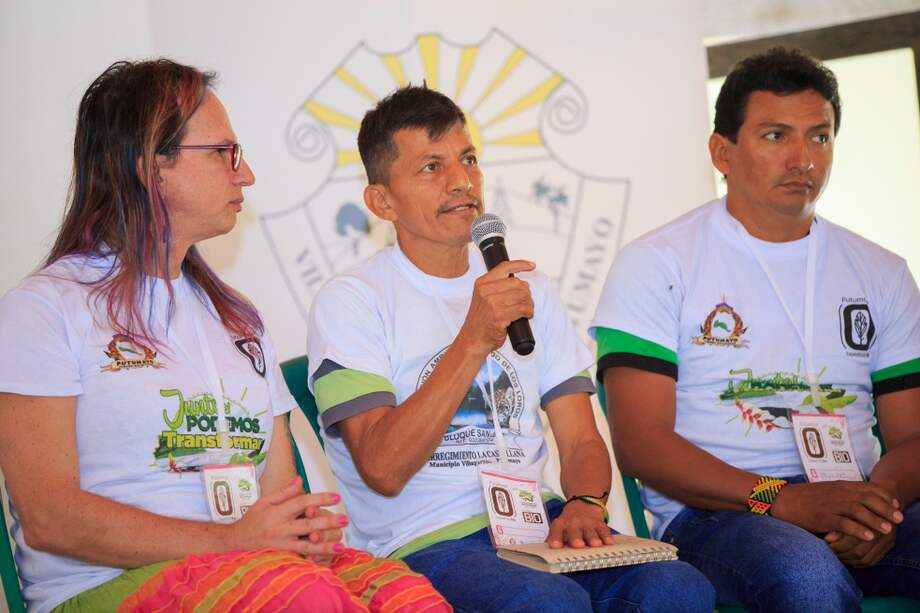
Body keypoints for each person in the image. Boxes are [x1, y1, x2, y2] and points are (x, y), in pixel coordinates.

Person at [0, 60, 448, 613]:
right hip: (105, 589)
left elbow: (280, 494)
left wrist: (302, 530)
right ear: (148, 163)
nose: (246, 175)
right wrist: (228, 542)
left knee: (408, 595)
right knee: (305, 598)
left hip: (249, 568)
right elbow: (48, 517)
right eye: (224, 153)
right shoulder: (44, 308)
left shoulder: (238, 319)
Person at [306, 85, 715, 612]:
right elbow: (383, 468)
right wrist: (474, 338)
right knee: (548, 604)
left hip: (538, 522)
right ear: (382, 201)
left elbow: (581, 438)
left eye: (469, 159)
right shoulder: (352, 301)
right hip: (424, 542)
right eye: (432, 167)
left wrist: (586, 504)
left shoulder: (529, 289)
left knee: (678, 587)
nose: (462, 181)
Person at [591, 47, 920, 610]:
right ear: (722, 151)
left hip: (854, 498)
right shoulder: (658, 262)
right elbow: (642, 443)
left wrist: (877, 505)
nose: (803, 159)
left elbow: (912, 434)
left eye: (819, 137)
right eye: (775, 136)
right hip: (718, 515)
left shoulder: (882, 271)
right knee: (805, 576)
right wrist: (785, 500)